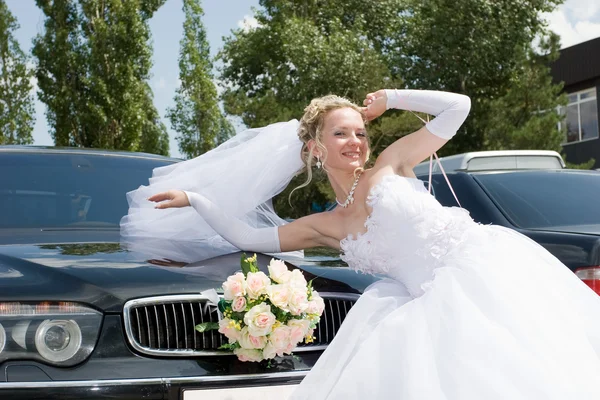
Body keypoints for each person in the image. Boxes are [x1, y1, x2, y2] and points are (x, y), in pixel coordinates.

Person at [122, 89, 600, 399]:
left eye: (360, 132)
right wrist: (197, 199)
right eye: (341, 133)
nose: (356, 140)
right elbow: (249, 236)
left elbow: (460, 107)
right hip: (423, 305)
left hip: (487, 273)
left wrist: (390, 98)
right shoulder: (323, 224)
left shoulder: (392, 164)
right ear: (315, 148)